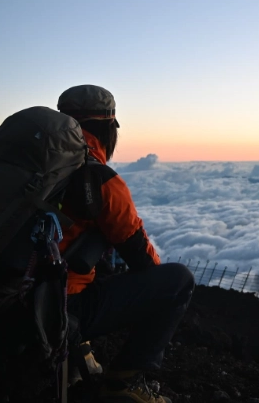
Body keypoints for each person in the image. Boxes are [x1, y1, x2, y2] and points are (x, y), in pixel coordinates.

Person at [57, 85, 194, 403]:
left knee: (92, 256)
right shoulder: (98, 179)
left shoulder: (19, 168)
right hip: (53, 305)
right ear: (108, 127)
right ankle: (122, 384)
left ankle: (74, 348)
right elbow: (142, 261)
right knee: (177, 282)